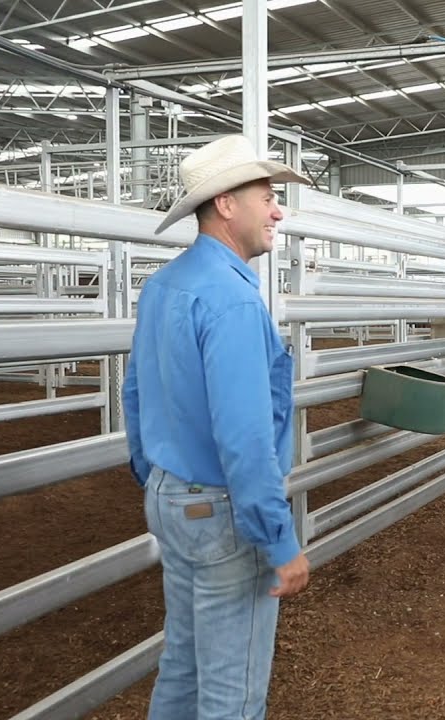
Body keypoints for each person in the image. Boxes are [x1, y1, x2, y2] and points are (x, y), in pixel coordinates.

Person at [123, 134, 311, 720]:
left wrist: (154, 475)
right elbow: (246, 438)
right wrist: (279, 540)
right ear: (227, 204)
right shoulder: (231, 300)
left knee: (183, 663)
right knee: (233, 690)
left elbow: (134, 392)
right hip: (224, 512)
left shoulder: (164, 286)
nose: (277, 209)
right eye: (268, 195)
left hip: (172, 496)